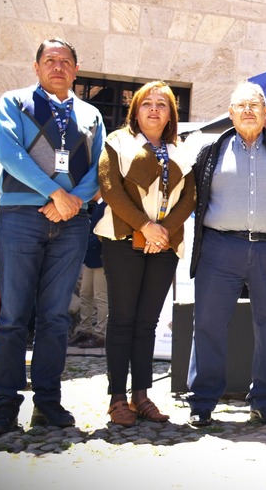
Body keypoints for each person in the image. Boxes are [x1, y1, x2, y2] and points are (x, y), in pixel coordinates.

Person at [0, 38, 105, 434]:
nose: (58, 66)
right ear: (36, 67)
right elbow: (10, 153)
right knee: (13, 317)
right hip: (21, 215)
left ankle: (48, 402)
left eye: (66, 61)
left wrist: (72, 201)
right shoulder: (15, 102)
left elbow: (99, 169)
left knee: (55, 318)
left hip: (72, 222)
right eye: (50, 60)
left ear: (76, 69)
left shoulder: (90, 114)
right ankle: (5, 405)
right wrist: (54, 193)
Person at [186, 81, 266, 427]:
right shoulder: (211, 150)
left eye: (256, 105)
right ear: (231, 112)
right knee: (208, 324)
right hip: (220, 248)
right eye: (241, 105)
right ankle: (203, 401)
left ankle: (264, 399)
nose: (249, 110)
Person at [95, 81, 196, 426]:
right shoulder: (118, 141)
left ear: (171, 113)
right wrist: (144, 225)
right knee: (122, 320)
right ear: (135, 110)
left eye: (162, 104)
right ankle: (117, 399)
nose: (154, 109)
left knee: (147, 323)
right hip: (123, 240)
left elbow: (190, 197)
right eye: (147, 103)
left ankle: (141, 395)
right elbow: (111, 189)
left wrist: (163, 232)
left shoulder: (183, 150)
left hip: (164, 245)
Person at [70, 196, 108, 349]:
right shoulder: (98, 205)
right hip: (90, 258)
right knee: (85, 294)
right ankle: (85, 330)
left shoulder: (107, 205)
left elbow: (102, 234)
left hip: (101, 258)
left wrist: (83, 244)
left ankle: (101, 334)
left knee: (101, 297)